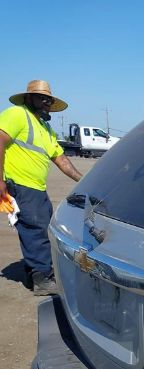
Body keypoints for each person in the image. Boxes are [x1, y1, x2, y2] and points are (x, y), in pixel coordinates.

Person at [0, 80, 83, 295]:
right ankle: (42, 280)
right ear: (28, 98)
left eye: (48, 99)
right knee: (35, 230)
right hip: (21, 186)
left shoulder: (46, 129)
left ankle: (39, 272)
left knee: (45, 228)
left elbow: (62, 160)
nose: (45, 101)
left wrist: (83, 181)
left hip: (37, 188)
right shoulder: (17, 114)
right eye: (40, 97)